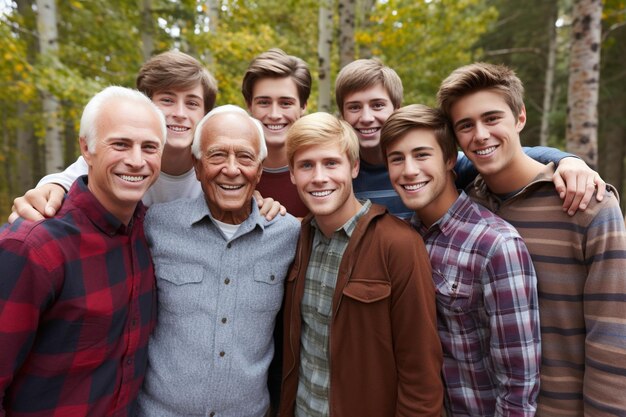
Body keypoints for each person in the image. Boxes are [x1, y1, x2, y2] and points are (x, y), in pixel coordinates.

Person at [437, 62, 626, 415]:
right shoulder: (468, 204)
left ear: (520, 118)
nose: (480, 135)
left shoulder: (588, 205)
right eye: (466, 125)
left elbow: (613, 335)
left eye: (492, 119)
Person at [0, 86, 166, 416]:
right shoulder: (33, 246)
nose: (136, 160)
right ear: (86, 150)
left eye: (149, 147)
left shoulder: (149, 235)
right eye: (120, 144)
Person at [136, 105, 300, 417]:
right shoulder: (155, 225)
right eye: (217, 155)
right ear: (197, 166)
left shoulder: (289, 235)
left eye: (245, 157)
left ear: (260, 169)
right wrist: (53, 188)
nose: (232, 169)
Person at [381, 104, 541, 415]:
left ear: (451, 159)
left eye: (422, 155)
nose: (409, 170)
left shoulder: (496, 245)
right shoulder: (402, 238)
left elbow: (519, 387)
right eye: (397, 159)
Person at [280, 112, 443, 416]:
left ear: (354, 167)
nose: (318, 177)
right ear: (291, 174)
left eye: (331, 163)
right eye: (306, 165)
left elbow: (420, 368)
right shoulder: (298, 238)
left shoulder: (398, 244)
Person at [10, 50, 281, 221]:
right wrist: (49, 189)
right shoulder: (126, 157)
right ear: (146, 105)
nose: (179, 113)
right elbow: (67, 181)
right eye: (167, 99)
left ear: (205, 114)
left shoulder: (213, 165)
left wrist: (255, 202)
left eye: (192, 103)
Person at [334, 58, 607, 219]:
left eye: (378, 105)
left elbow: (504, 153)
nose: (367, 117)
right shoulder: (340, 173)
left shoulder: (446, 168)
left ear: (397, 108)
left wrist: (567, 160)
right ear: (342, 114)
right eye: (354, 107)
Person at [241, 48, 311, 217]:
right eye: (264, 102)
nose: (274, 115)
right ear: (249, 105)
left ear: (303, 106)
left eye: (285, 103)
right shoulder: (232, 169)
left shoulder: (321, 166)